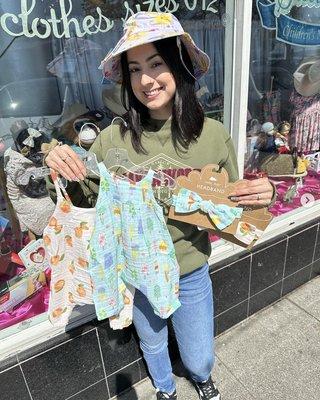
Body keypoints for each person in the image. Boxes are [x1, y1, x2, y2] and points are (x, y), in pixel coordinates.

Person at [44, 12, 275, 400]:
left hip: (190, 270)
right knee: (152, 343)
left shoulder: (213, 136)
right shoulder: (111, 139)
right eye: (134, 69)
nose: (146, 80)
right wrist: (60, 166)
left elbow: (234, 205)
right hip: (135, 272)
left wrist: (262, 194)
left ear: (179, 64)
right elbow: (84, 200)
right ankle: (165, 388)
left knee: (200, 357)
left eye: (156, 63)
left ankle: (201, 377)